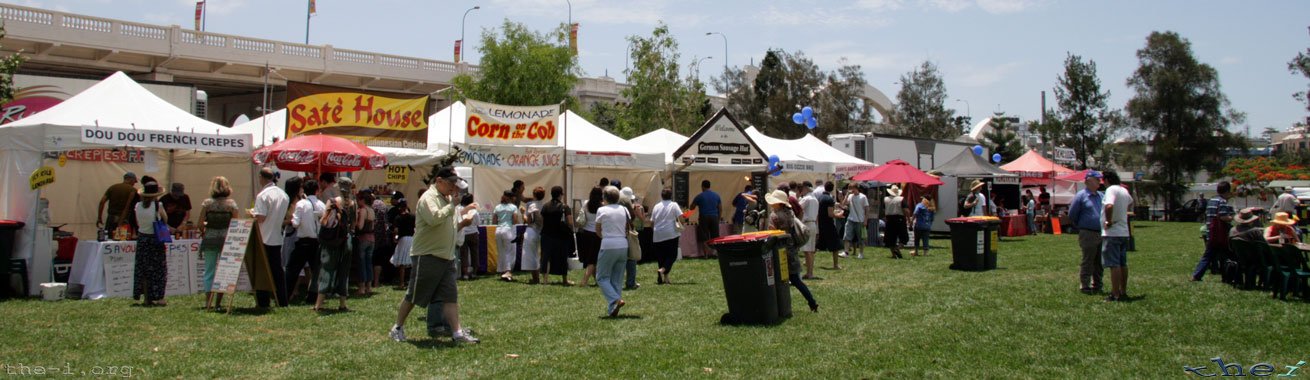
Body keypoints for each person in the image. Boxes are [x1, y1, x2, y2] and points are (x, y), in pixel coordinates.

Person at [389, 166, 480, 344]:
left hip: (445, 255)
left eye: (455, 185)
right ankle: (397, 327)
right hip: (428, 254)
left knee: (449, 296)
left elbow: (450, 223)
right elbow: (434, 219)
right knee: (414, 294)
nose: (454, 189)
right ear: (439, 181)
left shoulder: (445, 198)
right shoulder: (428, 198)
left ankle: (457, 333)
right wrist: (452, 206)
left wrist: (460, 212)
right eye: (451, 184)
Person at [766, 190, 820, 313]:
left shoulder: (774, 216)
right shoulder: (789, 213)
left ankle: (779, 305)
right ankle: (812, 302)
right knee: (796, 280)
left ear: (777, 203)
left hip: (778, 250)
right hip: (791, 249)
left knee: (774, 279)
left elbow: (771, 232)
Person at [316, 176, 358, 312]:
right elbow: (354, 224)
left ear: (339, 187)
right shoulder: (353, 203)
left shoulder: (333, 202)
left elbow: (324, 220)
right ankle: (342, 303)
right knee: (344, 272)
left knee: (327, 269)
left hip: (332, 240)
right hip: (347, 240)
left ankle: (319, 304)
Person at [250, 168, 290, 307]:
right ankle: (282, 300)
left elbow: (261, 217)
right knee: (277, 271)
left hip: (264, 237)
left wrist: (252, 214)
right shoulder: (283, 195)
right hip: (277, 237)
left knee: (262, 271)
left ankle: (263, 301)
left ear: (262, 178)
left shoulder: (263, 195)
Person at [197, 176, 238, 310]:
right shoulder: (231, 204)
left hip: (210, 239)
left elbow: (200, 224)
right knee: (224, 271)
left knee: (209, 271)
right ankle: (218, 303)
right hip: (227, 240)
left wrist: (206, 228)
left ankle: (208, 302)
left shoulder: (207, 203)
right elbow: (235, 223)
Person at [131, 176, 170, 306]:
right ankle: (159, 297)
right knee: (159, 269)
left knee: (143, 269)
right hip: (155, 239)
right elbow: (165, 219)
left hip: (142, 238)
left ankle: (146, 297)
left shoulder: (138, 206)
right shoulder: (158, 205)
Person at [594, 186, 632, 317]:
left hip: (608, 244)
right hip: (623, 244)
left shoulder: (601, 210)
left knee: (601, 277)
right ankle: (613, 308)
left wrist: (604, 237)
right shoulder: (624, 209)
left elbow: (598, 230)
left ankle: (616, 300)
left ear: (604, 198)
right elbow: (628, 227)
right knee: (617, 278)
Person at [287, 179, 325, 304]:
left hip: (303, 242)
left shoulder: (301, 204)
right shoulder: (321, 205)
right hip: (317, 242)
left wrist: (292, 219)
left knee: (292, 269)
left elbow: (296, 223)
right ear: (316, 190)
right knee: (316, 271)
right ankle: (314, 296)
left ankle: (286, 295)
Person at [1067, 170, 1104, 294]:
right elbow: (1072, 214)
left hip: (1101, 232)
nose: (1099, 181)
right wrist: (1081, 226)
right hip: (1087, 232)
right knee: (1088, 259)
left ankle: (1098, 284)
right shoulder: (1081, 195)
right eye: (1097, 179)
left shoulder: (1101, 196)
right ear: (1088, 181)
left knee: (1099, 261)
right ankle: (1085, 284)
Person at [1101, 171, 1133, 302]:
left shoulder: (1111, 189)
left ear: (1107, 180)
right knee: (1122, 263)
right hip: (1124, 231)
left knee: (1114, 264)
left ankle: (1115, 294)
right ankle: (1123, 290)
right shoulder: (1123, 190)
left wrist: (1108, 220)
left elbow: (1109, 205)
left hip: (1112, 232)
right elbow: (1130, 203)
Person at [1193, 181, 1234, 282]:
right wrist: (1232, 217)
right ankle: (1227, 277)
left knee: (1208, 256)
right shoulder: (1222, 201)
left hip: (1210, 231)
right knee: (1226, 256)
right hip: (1220, 233)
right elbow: (1223, 216)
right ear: (1227, 191)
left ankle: (1197, 275)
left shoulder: (1212, 200)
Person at [539, 186, 574, 285]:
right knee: (562, 257)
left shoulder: (545, 206)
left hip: (546, 235)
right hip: (561, 236)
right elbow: (570, 222)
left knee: (546, 257)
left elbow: (541, 221)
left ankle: (545, 280)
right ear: (560, 195)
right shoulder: (565, 207)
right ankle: (564, 280)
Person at [648, 187, 682, 285]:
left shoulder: (656, 206)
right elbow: (681, 218)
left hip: (658, 234)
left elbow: (651, 222)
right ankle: (662, 270)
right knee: (672, 255)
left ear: (661, 196)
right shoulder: (674, 205)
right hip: (670, 234)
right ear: (671, 196)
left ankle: (665, 277)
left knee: (661, 257)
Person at [618, 187, 646, 290]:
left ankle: (616, 282)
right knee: (631, 258)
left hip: (615, 233)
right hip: (626, 232)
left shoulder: (614, 201)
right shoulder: (626, 202)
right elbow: (633, 217)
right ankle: (630, 282)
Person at [97, 172, 139, 237]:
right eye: (134, 181)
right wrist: (121, 221)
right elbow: (127, 206)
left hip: (111, 218)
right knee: (123, 241)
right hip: (125, 219)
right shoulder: (133, 190)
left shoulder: (112, 187)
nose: (134, 183)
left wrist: (99, 217)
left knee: (109, 238)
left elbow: (102, 202)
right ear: (131, 179)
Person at [493, 190, 523, 282]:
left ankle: (502, 271)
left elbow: (494, 221)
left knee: (501, 251)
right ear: (511, 198)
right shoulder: (513, 207)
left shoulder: (497, 207)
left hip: (498, 230)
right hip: (508, 230)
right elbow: (514, 220)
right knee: (509, 251)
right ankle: (508, 271)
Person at [577, 186, 604, 287]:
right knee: (593, 260)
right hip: (597, 234)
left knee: (591, 259)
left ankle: (597, 280)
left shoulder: (586, 203)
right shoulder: (602, 206)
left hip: (586, 233)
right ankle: (584, 281)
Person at [689, 180, 722, 258]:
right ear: (709, 186)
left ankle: (706, 255)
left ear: (702, 186)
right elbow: (720, 209)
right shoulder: (716, 195)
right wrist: (718, 218)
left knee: (704, 236)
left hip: (704, 217)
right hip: (714, 217)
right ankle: (715, 253)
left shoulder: (699, 196)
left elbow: (692, 207)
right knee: (715, 236)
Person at [354, 189, 377, 296]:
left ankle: (362, 288)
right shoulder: (372, 210)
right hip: (372, 239)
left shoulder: (363, 210)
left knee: (362, 263)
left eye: (358, 200)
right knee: (369, 263)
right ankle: (369, 286)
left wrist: (355, 222)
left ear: (362, 200)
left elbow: (360, 226)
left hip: (363, 238)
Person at [816, 182, 843, 269]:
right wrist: (838, 215)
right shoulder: (829, 199)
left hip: (821, 224)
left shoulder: (820, 198)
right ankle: (835, 265)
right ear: (832, 189)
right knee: (835, 245)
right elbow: (830, 214)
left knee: (819, 244)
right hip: (829, 224)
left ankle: (807, 260)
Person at [522, 187, 546, 284]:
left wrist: (523, 213)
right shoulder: (544, 205)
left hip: (532, 230)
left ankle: (535, 278)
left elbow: (529, 221)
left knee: (531, 255)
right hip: (542, 231)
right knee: (540, 256)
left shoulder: (531, 205)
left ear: (534, 195)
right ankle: (541, 277)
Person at [390, 199, 416, 288]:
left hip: (403, 239)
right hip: (412, 239)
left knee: (402, 263)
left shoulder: (398, 218)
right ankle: (411, 282)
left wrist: (395, 238)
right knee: (411, 261)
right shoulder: (413, 216)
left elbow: (396, 231)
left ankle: (401, 283)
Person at [457, 193, 481, 280]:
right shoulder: (474, 210)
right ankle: (474, 272)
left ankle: (465, 273)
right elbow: (478, 223)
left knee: (464, 254)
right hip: (473, 233)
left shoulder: (459, 209)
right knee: (474, 253)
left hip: (463, 233)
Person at [798, 182, 819, 278]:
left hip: (807, 224)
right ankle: (810, 272)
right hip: (813, 224)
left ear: (805, 188)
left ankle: (809, 273)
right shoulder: (815, 199)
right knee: (810, 250)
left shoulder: (806, 199)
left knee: (807, 250)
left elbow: (797, 208)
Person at [842, 182, 869, 259]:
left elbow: (867, 209)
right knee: (846, 236)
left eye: (852, 188)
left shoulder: (863, 197)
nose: (850, 190)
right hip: (850, 219)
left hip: (860, 220)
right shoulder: (850, 196)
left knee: (861, 238)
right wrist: (846, 195)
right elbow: (843, 204)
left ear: (856, 188)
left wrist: (865, 220)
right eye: (849, 188)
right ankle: (846, 252)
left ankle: (861, 253)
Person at [882, 185, 909, 259]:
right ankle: (898, 248)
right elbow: (906, 210)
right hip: (899, 218)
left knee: (890, 238)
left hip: (889, 219)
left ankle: (894, 254)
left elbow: (884, 210)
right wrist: (908, 219)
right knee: (904, 237)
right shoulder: (901, 199)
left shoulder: (885, 199)